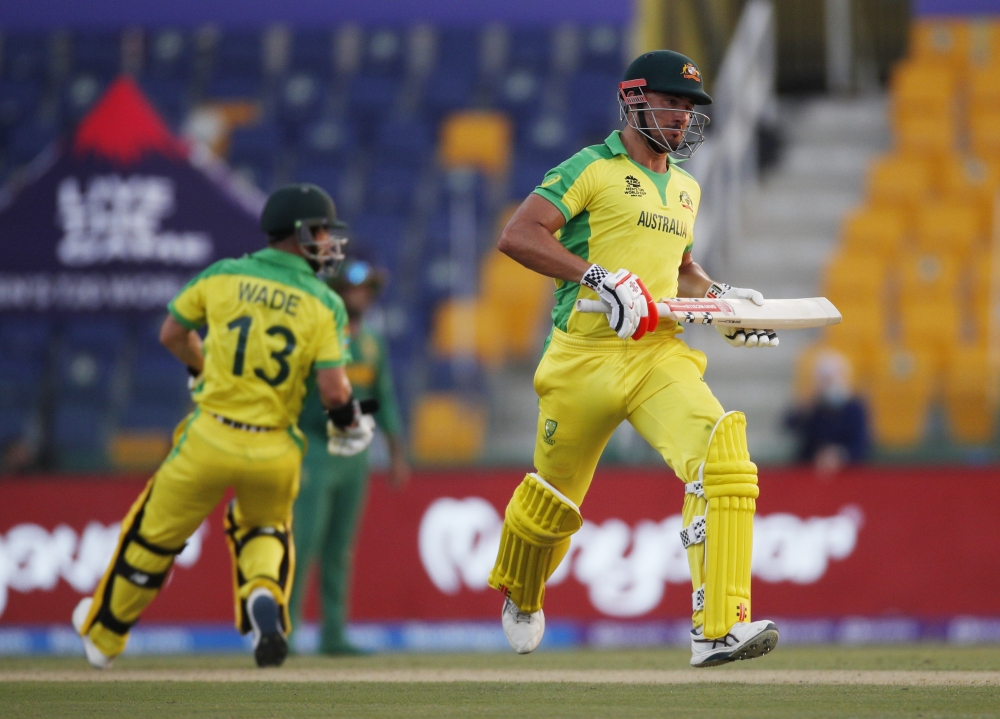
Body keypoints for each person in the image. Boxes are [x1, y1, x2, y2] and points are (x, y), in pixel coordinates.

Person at [486, 50, 780, 667]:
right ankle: (524, 590)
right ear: (635, 100)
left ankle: (718, 627)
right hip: (582, 356)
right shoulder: (588, 169)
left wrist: (721, 300)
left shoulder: (685, 188)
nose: (681, 119)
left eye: (690, 108)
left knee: (721, 459)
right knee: (551, 505)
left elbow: (678, 269)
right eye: (672, 104)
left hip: (656, 354)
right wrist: (597, 277)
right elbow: (518, 234)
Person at [72, 184, 379, 669]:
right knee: (265, 531)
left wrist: (201, 369)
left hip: (211, 435)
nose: (328, 240)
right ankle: (262, 599)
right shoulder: (325, 303)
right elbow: (335, 392)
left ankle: (105, 636)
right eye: (321, 230)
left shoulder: (223, 275)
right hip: (275, 447)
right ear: (299, 233)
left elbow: (172, 332)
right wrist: (348, 425)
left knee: (152, 539)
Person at [289, 258, 409, 655]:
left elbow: (385, 397)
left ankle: (333, 635)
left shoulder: (371, 341)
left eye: (367, 289)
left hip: (355, 454)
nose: (362, 295)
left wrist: (395, 451)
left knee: (340, 548)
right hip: (315, 449)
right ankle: (282, 633)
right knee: (303, 543)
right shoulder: (318, 335)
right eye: (354, 289)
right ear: (338, 292)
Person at [786, 349, 870, 474]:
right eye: (824, 379)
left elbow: (861, 443)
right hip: (811, 471)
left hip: (849, 473)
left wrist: (839, 455)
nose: (829, 384)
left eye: (832, 378)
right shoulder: (813, 406)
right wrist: (803, 409)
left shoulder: (855, 407)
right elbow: (789, 426)